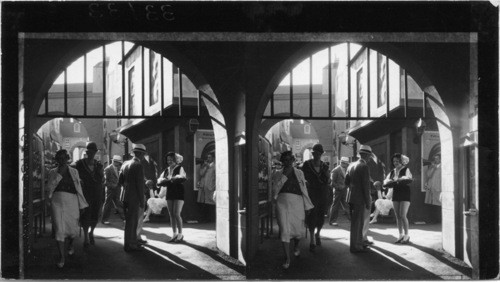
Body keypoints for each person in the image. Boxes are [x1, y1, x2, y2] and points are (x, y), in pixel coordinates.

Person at [271, 151, 314, 269]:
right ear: (282, 161)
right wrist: (285, 175)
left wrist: (307, 206)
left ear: (293, 160)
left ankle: (296, 246)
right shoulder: (277, 173)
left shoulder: (300, 173)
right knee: (285, 230)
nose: (288, 162)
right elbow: (275, 189)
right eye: (285, 160)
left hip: (297, 203)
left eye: (290, 159)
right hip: (282, 202)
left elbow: (303, 190)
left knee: (297, 230)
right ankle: (287, 258)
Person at [47, 149, 89, 268]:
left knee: (72, 230)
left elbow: (78, 189)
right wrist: (59, 174)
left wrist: (82, 205)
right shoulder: (52, 172)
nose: (61, 160)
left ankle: (70, 244)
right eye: (59, 158)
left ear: (67, 158)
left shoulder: (74, 172)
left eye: (63, 158)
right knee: (59, 230)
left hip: (72, 202)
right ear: (56, 159)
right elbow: (50, 188)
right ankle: (62, 257)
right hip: (57, 202)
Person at [73, 141, 104, 247]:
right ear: (87, 152)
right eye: (89, 151)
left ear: (95, 152)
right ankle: (86, 236)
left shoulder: (99, 165)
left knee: (95, 215)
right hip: (85, 194)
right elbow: (74, 176)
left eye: (93, 152)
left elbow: (102, 180)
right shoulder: (79, 164)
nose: (91, 153)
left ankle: (91, 232)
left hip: (96, 194)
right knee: (85, 215)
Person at [300, 143, 330, 252]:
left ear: (321, 154)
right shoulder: (307, 165)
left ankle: (318, 234)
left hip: (322, 194)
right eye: (315, 153)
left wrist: (328, 176)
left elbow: (328, 180)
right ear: (312, 154)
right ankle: (312, 239)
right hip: (311, 193)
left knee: (321, 215)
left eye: (318, 153)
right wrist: (305, 182)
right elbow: (301, 178)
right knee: (312, 215)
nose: (316, 155)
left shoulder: (325, 166)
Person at [118, 144, 148, 252]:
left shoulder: (125, 164)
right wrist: (142, 201)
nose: (144, 156)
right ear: (140, 154)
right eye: (143, 154)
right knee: (133, 222)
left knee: (128, 221)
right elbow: (140, 185)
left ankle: (129, 243)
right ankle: (131, 244)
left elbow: (120, 181)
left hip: (125, 197)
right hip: (134, 198)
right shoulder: (138, 165)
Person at [345, 145, 373, 253]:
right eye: (369, 156)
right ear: (366, 155)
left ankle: (358, 243)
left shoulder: (351, 165)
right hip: (359, 199)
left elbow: (346, 182)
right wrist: (368, 201)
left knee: (355, 222)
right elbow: (366, 186)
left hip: (351, 197)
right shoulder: (364, 167)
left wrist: (352, 187)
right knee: (358, 223)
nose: (370, 158)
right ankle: (356, 246)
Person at [383, 153, 413, 244]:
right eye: (394, 161)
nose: (395, 163)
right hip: (396, 194)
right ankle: (400, 235)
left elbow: (409, 179)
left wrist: (400, 179)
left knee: (403, 215)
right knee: (397, 216)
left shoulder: (406, 169)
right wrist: (390, 182)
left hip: (405, 193)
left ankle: (407, 235)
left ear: (402, 161)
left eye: (397, 161)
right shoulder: (392, 172)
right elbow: (386, 182)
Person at [157, 151, 187, 242]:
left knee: (177, 214)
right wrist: (164, 181)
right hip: (169, 193)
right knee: (171, 214)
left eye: (171, 159)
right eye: (168, 160)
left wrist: (171, 180)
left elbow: (183, 178)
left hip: (178, 192)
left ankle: (180, 234)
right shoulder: (166, 170)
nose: (169, 161)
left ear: (175, 160)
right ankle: (174, 234)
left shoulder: (180, 168)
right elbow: (160, 180)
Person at [101, 155, 125, 224]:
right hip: (110, 189)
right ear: (115, 162)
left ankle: (124, 218)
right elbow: (105, 181)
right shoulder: (107, 169)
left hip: (117, 189)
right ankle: (104, 219)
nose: (119, 164)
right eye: (118, 162)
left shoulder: (119, 168)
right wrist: (112, 186)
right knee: (107, 204)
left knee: (118, 203)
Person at [329, 156, 351, 226]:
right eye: (346, 164)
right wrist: (338, 187)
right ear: (342, 163)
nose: (347, 165)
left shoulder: (346, 169)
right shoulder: (335, 170)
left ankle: (352, 220)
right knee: (335, 206)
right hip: (338, 191)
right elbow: (332, 182)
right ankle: (332, 221)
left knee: (346, 205)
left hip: (344, 190)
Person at [197, 152, 216, 222]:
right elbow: (201, 174)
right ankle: (205, 219)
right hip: (203, 188)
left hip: (211, 187)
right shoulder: (205, 165)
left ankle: (212, 219)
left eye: (209, 157)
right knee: (204, 203)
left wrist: (214, 187)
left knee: (211, 203)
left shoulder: (215, 166)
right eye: (207, 157)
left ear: (213, 158)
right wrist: (205, 167)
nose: (208, 159)